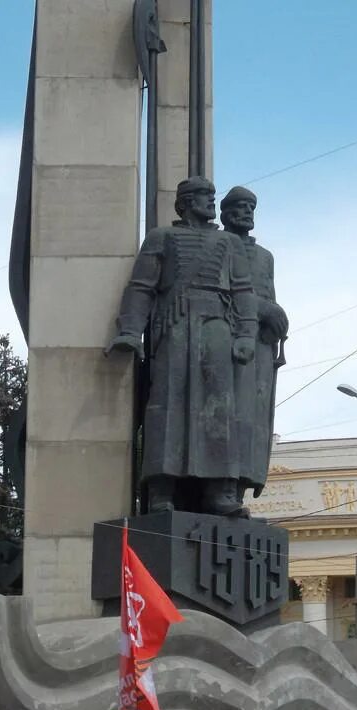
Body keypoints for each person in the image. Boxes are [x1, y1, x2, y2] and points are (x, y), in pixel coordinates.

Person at [105, 176, 257, 516]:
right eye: (204, 197)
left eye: (212, 197)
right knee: (167, 406)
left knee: (220, 410)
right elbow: (142, 287)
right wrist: (130, 330)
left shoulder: (228, 244)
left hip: (217, 328)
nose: (211, 203)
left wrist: (246, 334)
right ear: (185, 202)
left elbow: (244, 292)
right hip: (173, 326)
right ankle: (161, 490)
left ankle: (220, 492)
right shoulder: (162, 237)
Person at [220, 186, 288, 499]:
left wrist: (277, 321)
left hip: (261, 345)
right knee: (230, 417)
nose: (246, 212)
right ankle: (221, 485)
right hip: (227, 343)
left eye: (251, 207)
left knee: (254, 419)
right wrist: (263, 309)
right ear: (224, 213)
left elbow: (267, 295)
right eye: (240, 206)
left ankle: (240, 485)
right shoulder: (218, 246)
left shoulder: (264, 257)